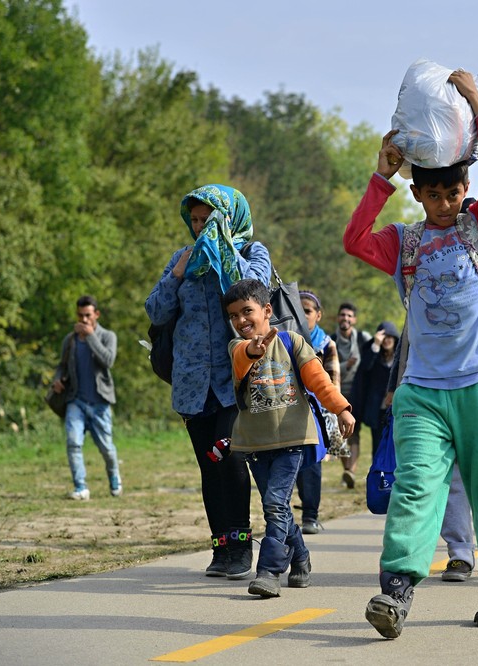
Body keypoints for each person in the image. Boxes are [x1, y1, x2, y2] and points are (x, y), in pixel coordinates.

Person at [343, 69, 478, 637]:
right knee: (416, 487)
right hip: (422, 390)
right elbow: (354, 240)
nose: (445, 203)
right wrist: (381, 177)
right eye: (434, 194)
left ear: (465, 190)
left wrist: (475, 99)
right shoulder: (406, 242)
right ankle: (397, 590)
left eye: (453, 193)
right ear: (417, 194)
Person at [145, 184, 271, 580]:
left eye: (209, 220)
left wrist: (222, 247)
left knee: (229, 457)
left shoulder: (253, 252)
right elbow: (156, 310)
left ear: (228, 219)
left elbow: (254, 293)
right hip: (192, 381)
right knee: (208, 465)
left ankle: (241, 546)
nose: (201, 228)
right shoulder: (182, 258)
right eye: (196, 220)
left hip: (235, 378)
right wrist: (177, 274)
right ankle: (221, 548)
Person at [222, 279, 355, 598]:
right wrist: (253, 349)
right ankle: (301, 557)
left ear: (267, 310)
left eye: (247, 311)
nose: (241, 320)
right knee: (277, 506)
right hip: (255, 444)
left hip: (293, 438)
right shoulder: (236, 347)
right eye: (234, 315)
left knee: (274, 503)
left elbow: (319, 381)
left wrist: (341, 409)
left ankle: (268, 571)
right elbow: (242, 356)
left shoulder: (292, 341)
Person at [51, 295, 121, 500]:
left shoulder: (108, 336)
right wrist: (57, 380)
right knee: (73, 443)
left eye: (88, 315)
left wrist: (91, 336)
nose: (83, 320)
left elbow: (108, 361)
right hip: (76, 401)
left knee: (107, 449)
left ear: (96, 314)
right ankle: (80, 487)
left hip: (100, 403)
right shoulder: (70, 340)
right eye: (80, 315)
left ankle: (114, 477)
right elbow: (61, 366)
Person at [294, 289, 339, 535]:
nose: (303, 315)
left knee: (311, 464)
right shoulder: (284, 338)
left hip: (316, 412)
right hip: (288, 409)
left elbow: (333, 382)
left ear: (318, 315)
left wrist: (335, 413)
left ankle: (310, 516)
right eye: (298, 310)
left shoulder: (326, 344)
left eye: (308, 311)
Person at [334, 302, 372, 489]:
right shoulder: (330, 340)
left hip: (358, 394)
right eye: (343, 315)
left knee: (354, 432)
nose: (346, 319)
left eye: (349, 316)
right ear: (337, 318)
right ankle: (347, 470)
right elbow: (325, 367)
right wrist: (345, 365)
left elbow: (372, 360)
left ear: (354, 320)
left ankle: (351, 471)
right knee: (339, 434)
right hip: (337, 394)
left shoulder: (364, 339)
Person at [352, 321, 399, 462]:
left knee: (396, 446)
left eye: (390, 337)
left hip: (397, 409)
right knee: (378, 446)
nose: (386, 340)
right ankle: (378, 474)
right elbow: (365, 368)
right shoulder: (374, 354)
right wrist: (376, 345)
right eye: (383, 337)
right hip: (377, 410)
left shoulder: (400, 358)